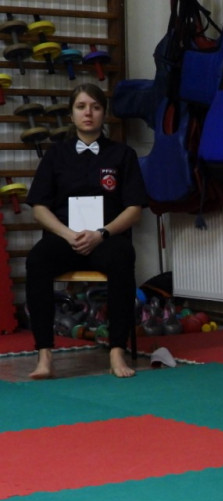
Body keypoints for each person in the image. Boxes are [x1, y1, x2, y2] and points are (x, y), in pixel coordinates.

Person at [25, 83, 148, 379]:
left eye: (95, 107)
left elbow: (134, 208)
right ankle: (44, 355)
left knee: (123, 257)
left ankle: (116, 351)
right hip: (65, 240)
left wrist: (101, 233)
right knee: (37, 260)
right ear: (71, 115)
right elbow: (39, 207)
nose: (88, 113)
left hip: (106, 239)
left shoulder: (123, 154)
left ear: (104, 113)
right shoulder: (56, 155)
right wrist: (68, 234)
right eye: (81, 107)